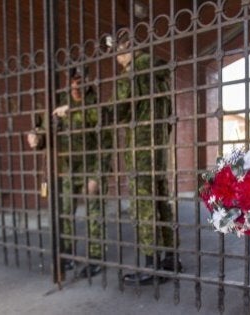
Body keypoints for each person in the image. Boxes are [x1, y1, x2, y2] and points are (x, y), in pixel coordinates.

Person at [27, 67, 111, 278]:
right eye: (74, 79)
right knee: (64, 212)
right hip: (64, 168)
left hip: (91, 166)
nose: (77, 84)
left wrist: (98, 175)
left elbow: (107, 142)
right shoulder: (57, 102)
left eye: (81, 79)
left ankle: (96, 258)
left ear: (88, 80)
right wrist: (36, 139)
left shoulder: (96, 104)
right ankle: (66, 255)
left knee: (94, 213)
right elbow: (45, 133)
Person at [114, 34, 182, 285]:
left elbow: (116, 111)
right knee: (161, 201)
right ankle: (171, 259)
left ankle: (151, 266)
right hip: (159, 150)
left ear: (127, 49)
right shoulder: (159, 73)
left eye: (118, 53)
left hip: (139, 151)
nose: (118, 60)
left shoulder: (132, 74)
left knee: (143, 206)